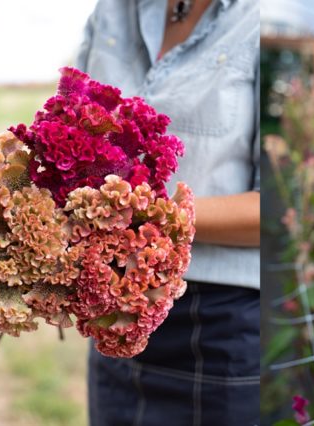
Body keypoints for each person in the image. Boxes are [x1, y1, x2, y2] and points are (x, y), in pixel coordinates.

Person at [75, 1, 260, 425]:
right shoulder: (113, 12)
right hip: (115, 310)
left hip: (220, 321)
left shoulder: (265, 18)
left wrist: (142, 213)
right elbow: (66, 139)